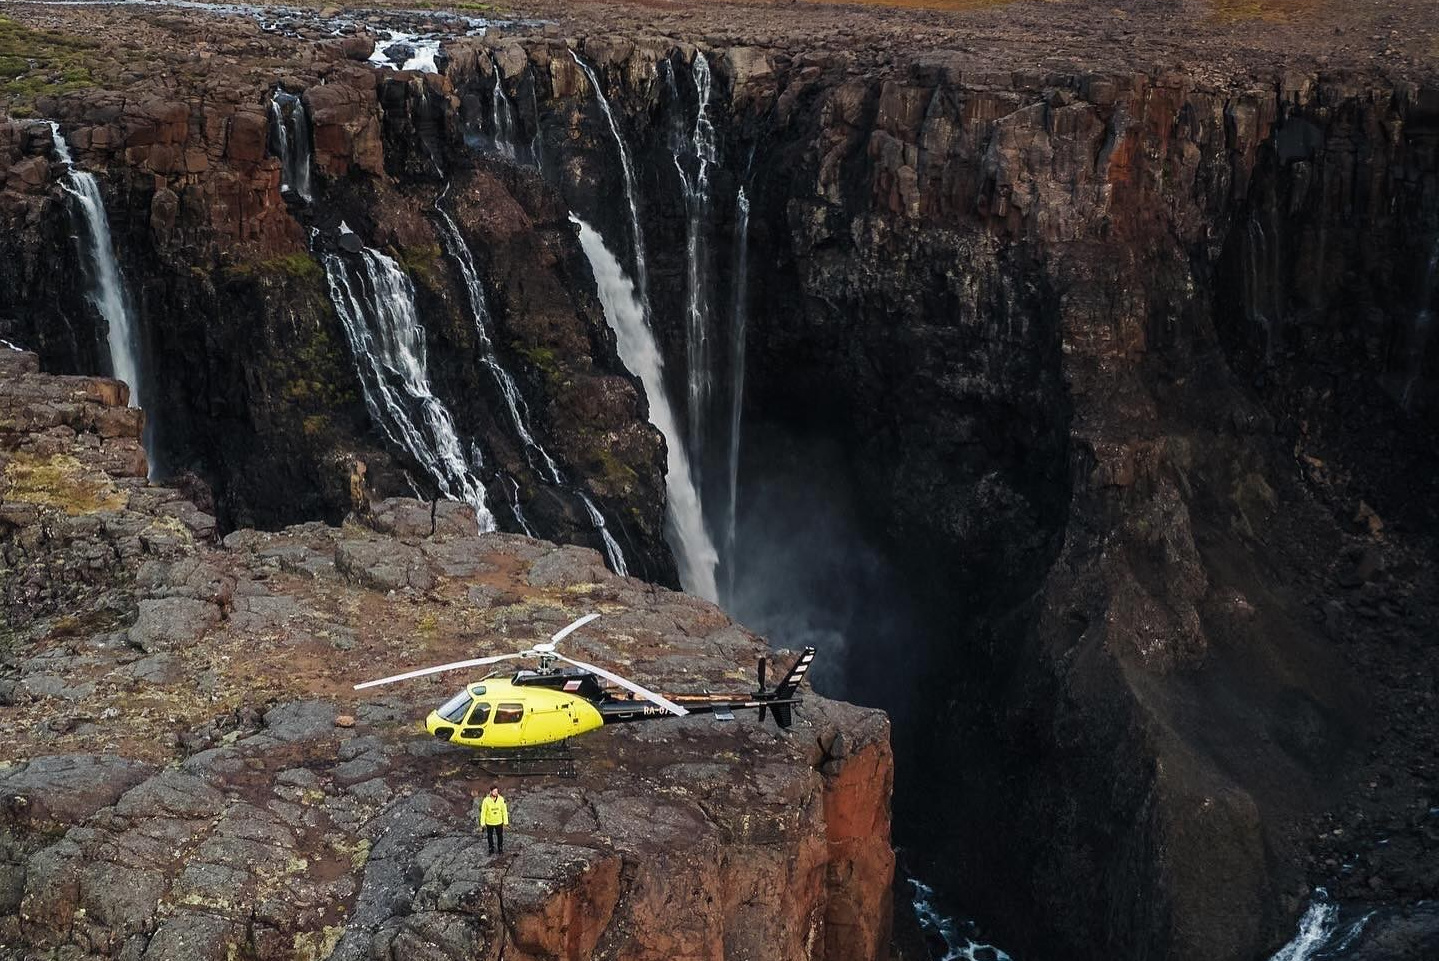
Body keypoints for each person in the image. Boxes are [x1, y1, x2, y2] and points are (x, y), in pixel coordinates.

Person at [480, 785, 509, 854]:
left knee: (500, 836)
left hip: (499, 822)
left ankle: (500, 848)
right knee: (490, 836)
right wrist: (482, 823)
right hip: (489, 822)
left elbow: (504, 811)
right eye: (494, 791)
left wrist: (505, 822)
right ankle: (491, 848)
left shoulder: (501, 799)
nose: (496, 793)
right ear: (490, 792)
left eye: (497, 791)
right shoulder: (486, 800)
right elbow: (483, 812)